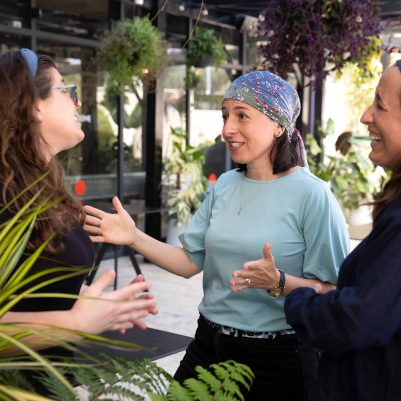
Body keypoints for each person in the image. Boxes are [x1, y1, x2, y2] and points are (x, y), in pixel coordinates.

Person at [83, 71, 349, 401]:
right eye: (226, 116)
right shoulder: (224, 185)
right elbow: (189, 263)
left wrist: (280, 281)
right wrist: (133, 236)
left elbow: (336, 293)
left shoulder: (313, 195)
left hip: (280, 358)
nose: (227, 130)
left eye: (242, 116)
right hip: (209, 345)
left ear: (278, 125)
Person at [0, 48, 157, 392]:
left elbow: (35, 291)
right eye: (66, 91)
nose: (78, 103)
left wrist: (94, 302)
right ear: (34, 104)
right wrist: (75, 322)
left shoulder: (43, 188)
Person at [281, 60, 401, 400]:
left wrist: (298, 300)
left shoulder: (314, 193)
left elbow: (361, 316)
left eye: (380, 104)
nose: (365, 115)